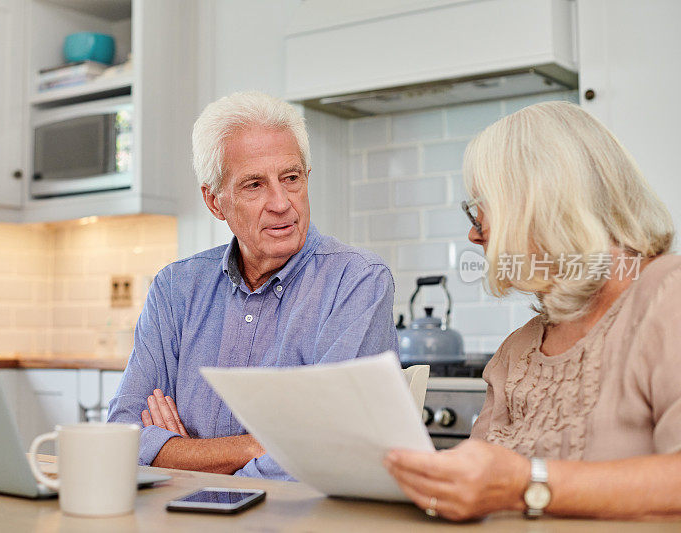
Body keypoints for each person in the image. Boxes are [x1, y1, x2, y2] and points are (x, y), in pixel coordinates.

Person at [384, 101, 681, 520]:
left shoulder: (668, 295)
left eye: (482, 211)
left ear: (542, 205)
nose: (473, 232)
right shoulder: (518, 350)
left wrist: (529, 484)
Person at [108, 91, 397, 480]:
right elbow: (122, 437)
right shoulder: (175, 288)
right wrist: (254, 446)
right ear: (215, 202)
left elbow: (327, 452)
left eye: (291, 178)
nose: (281, 202)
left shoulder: (357, 281)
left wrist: (185, 458)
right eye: (254, 185)